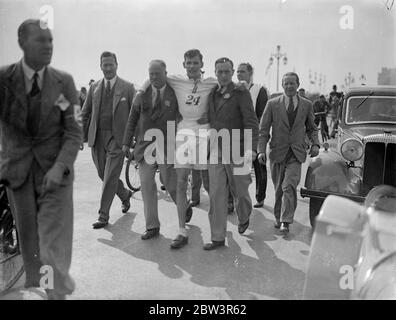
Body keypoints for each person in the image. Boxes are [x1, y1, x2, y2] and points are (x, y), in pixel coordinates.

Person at [0, 19, 82, 299]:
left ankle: (54, 294)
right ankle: (48, 284)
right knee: (31, 246)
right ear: (22, 43)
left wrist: (61, 167)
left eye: (51, 40)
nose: (48, 46)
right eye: (41, 40)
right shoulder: (3, 80)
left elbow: (73, 132)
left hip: (54, 177)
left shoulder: (64, 83)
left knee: (50, 245)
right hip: (18, 176)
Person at [135, 49, 217, 248]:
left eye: (195, 63)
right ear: (183, 65)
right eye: (188, 63)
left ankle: (217, 232)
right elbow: (152, 78)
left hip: (204, 134)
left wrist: (212, 117)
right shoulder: (176, 80)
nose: (191, 67)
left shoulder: (211, 82)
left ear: (201, 63)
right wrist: (139, 92)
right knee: (180, 182)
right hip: (183, 134)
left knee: (208, 184)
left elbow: (229, 85)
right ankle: (182, 231)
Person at [122, 60, 180, 245]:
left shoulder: (175, 92)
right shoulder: (141, 95)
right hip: (145, 147)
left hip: (167, 146)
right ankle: (152, 226)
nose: (154, 77)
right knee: (146, 185)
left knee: (171, 184)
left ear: (165, 73)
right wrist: (126, 142)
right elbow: (132, 120)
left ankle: (183, 207)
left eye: (158, 73)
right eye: (151, 74)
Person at [204, 57, 259, 250]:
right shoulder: (212, 93)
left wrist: (252, 148)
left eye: (227, 71)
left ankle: (244, 215)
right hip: (217, 149)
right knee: (216, 193)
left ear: (232, 72)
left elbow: (251, 122)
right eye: (220, 72)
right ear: (215, 72)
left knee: (241, 190)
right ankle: (217, 237)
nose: (224, 75)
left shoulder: (241, 93)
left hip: (238, 148)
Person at [258, 72, 319, 233]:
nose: (289, 86)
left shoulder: (306, 105)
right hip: (277, 152)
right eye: (286, 83)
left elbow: (312, 128)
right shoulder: (272, 104)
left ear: (298, 85)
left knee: (289, 186)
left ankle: (286, 220)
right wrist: (260, 150)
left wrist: (316, 144)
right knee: (278, 188)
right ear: (282, 85)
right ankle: (278, 218)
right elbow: (263, 130)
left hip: (296, 153)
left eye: (292, 83)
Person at [82, 51, 135, 229]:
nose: (108, 68)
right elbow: (85, 112)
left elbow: (135, 115)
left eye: (111, 64)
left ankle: (103, 216)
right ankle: (125, 194)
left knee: (110, 176)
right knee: (102, 174)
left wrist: (133, 140)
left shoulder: (127, 87)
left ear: (117, 65)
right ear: (100, 66)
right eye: (105, 65)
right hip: (97, 137)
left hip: (117, 139)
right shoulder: (94, 87)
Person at [237, 62, 268, 208]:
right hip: (239, 134)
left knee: (258, 165)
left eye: (242, 71)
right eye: (237, 72)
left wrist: (260, 136)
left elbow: (263, 115)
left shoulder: (259, 90)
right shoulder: (235, 89)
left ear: (250, 73)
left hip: (255, 133)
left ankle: (260, 197)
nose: (239, 74)